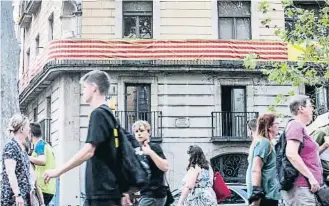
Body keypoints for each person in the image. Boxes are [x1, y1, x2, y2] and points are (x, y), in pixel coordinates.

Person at [43, 70, 126, 206]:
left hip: (102, 193)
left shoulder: (98, 114)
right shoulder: (109, 115)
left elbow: (89, 151)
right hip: (106, 191)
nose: (83, 91)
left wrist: (58, 171)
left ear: (94, 88)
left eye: (85, 87)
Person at [282, 95, 326, 206]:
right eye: (310, 106)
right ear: (301, 109)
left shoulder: (301, 128)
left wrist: (325, 146)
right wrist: (311, 177)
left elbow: (308, 156)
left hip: (306, 187)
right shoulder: (295, 125)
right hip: (301, 187)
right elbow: (291, 153)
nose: (312, 110)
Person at [246, 114, 280, 206]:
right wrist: (256, 195)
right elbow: (256, 169)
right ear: (269, 126)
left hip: (269, 195)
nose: (279, 125)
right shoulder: (263, 143)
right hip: (265, 196)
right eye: (276, 123)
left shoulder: (265, 142)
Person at [132, 120, 169, 206]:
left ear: (149, 132)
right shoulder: (135, 150)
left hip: (153, 194)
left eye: (141, 130)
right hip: (142, 194)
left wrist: (150, 152)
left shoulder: (154, 147)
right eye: (136, 131)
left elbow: (165, 167)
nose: (139, 134)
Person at [1, 114, 32, 206]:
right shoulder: (11, 146)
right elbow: (10, 172)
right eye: (28, 127)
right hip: (13, 198)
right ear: (22, 129)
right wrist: (17, 194)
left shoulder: (21, 148)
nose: (29, 129)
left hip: (24, 196)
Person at [29, 122, 56, 205]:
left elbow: (42, 160)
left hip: (42, 187)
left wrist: (27, 157)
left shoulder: (39, 145)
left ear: (30, 134)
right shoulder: (47, 145)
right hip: (49, 187)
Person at [23, 140, 45, 206]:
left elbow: (36, 186)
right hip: (30, 198)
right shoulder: (31, 165)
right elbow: (37, 186)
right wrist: (42, 203)